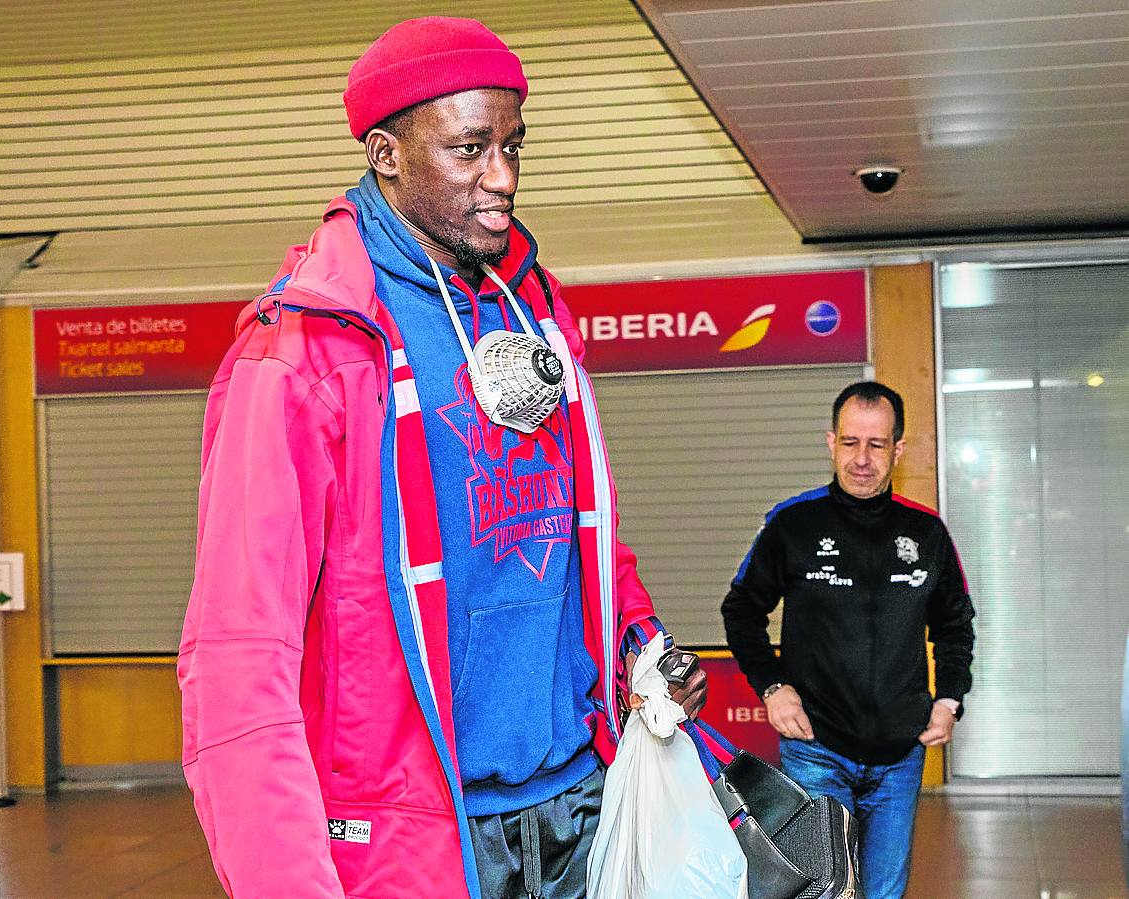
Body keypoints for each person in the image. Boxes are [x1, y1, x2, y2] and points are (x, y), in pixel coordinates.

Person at [178, 17, 706, 899]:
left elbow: (568, 529)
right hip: (416, 831)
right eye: (469, 150)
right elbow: (239, 647)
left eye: (512, 146)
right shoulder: (304, 351)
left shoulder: (532, 307)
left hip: (578, 800)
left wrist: (637, 639)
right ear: (385, 153)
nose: (501, 178)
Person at [721, 381, 975, 899]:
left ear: (897, 450)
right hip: (816, 748)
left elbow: (955, 625)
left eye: (877, 444)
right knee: (823, 889)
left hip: (900, 754)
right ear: (831, 441)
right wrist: (773, 687)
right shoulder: (793, 524)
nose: (862, 458)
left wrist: (949, 698)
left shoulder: (926, 533)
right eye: (851, 442)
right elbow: (742, 609)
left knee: (883, 891)